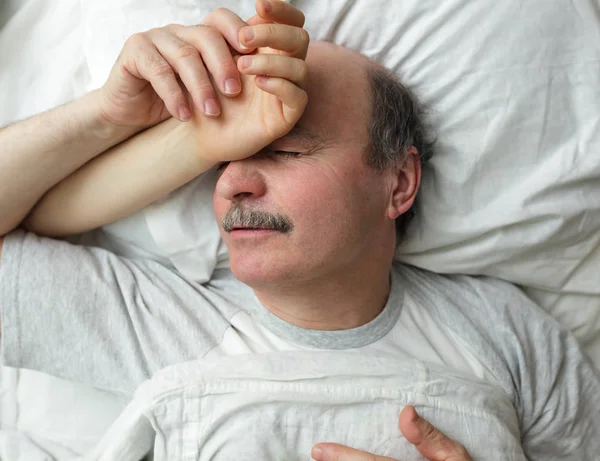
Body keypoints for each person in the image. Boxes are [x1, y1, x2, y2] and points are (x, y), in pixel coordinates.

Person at [0, 1, 599, 460]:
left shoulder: (506, 335)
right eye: (221, 162)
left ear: (398, 183)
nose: (232, 185)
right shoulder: (155, 326)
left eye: (284, 152)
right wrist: (113, 116)